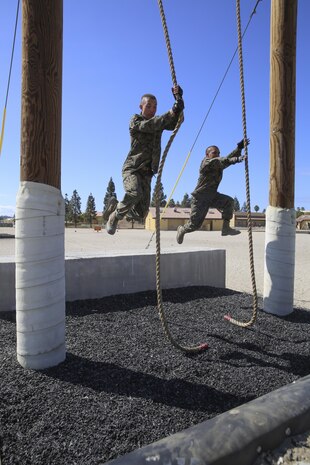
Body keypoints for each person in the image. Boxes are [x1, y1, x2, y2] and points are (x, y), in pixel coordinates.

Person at [104, 86, 184, 235]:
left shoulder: (158, 122)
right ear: (141, 107)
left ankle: (117, 207)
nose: (152, 109)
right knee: (134, 193)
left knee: (141, 213)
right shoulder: (135, 121)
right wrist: (172, 111)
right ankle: (114, 217)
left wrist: (178, 102)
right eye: (149, 106)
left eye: (155, 107)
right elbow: (149, 126)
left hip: (147, 173)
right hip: (132, 168)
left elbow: (174, 123)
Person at [176, 139, 249, 244]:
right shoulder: (205, 163)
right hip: (200, 197)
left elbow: (225, 159)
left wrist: (238, 148)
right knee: (194, 225)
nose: (217, 155)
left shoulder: (219, 164)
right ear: (207, 154)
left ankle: (226, 228)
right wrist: (237, 159)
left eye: (219, 153)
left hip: (212, 196)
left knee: (229, 202)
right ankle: (182, 229)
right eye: (214, 153)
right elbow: (221, 160)